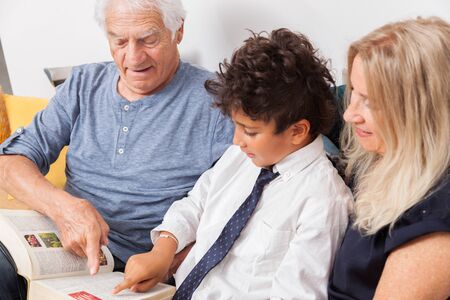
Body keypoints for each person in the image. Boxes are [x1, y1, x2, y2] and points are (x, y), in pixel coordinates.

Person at [0, 0, 234, 299]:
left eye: (148, 40)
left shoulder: (219, 101)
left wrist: (170, 262)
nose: (133, 57)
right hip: (61, 248)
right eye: (119, 40)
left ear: (178, 31)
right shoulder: (83, 84)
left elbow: (238, 206)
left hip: (141, 269)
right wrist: (66, 208)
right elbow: (9, 162)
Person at [112, 28, 353, 299]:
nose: (237, 140)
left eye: (250, 131)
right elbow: (197, 203)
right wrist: (163, 250)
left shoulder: (323, 201)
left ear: (297, 131)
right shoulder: (245, 157)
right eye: (235, 126)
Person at [328, 17, 450, 299]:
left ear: (421, 112)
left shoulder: (435, 218)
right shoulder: (381, 149)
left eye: (370, 101)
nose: (349, 114)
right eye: (353, 93)